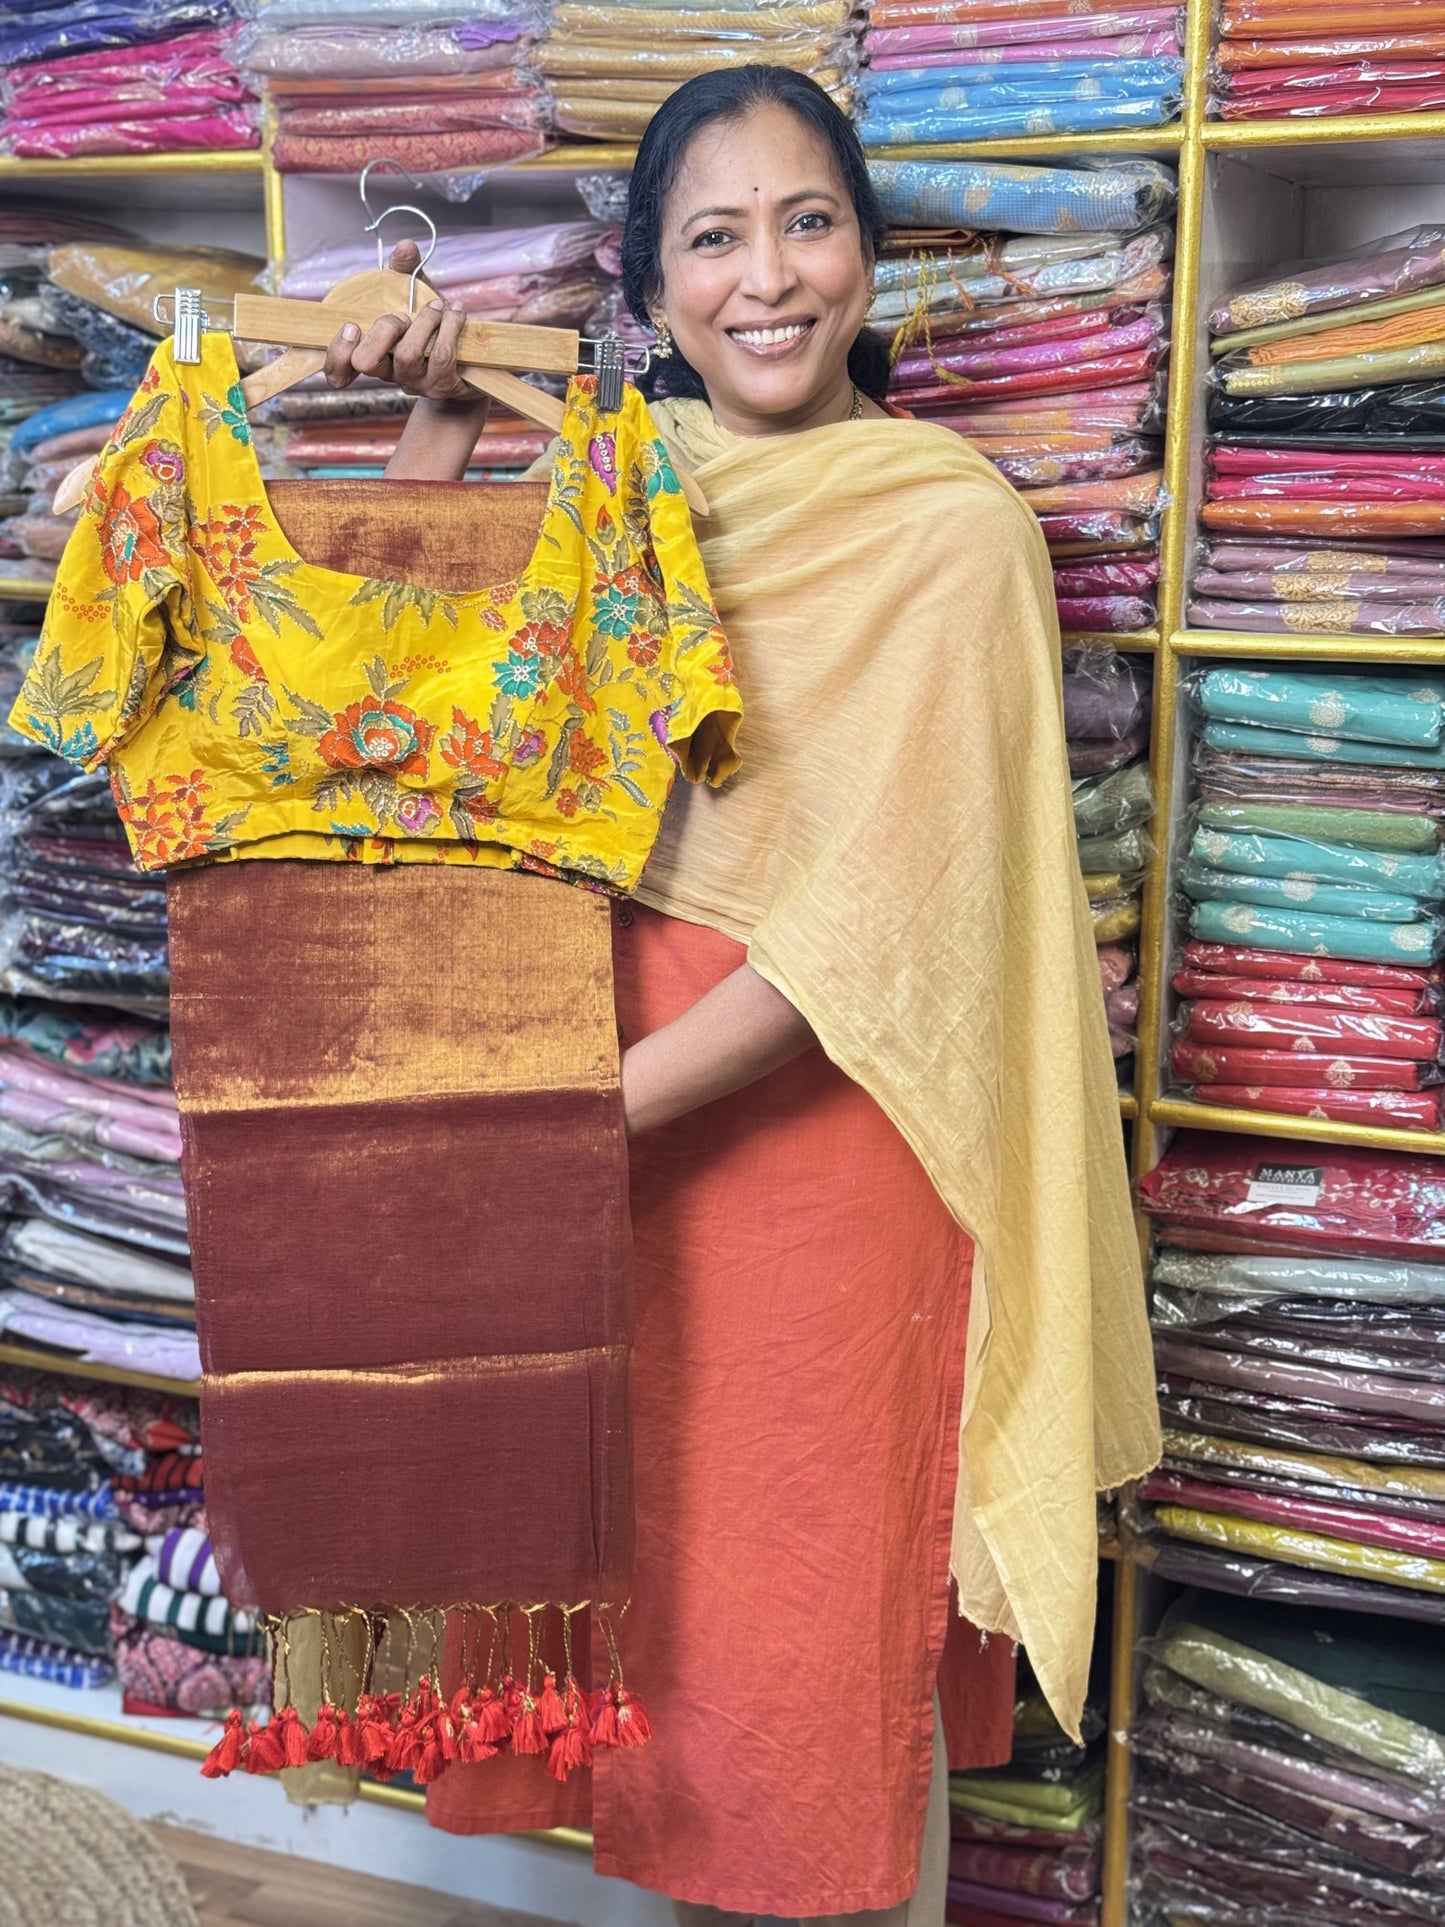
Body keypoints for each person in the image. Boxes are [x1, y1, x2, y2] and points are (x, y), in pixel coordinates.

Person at [322, 65, 1160, 1926]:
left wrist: (563, 1118)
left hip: (821, 1145)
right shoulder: (615, 491)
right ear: (648, 289)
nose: (766, 278)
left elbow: (870, 930)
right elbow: (392, 722)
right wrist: (444, 420)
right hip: (601, 1134)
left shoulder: (951, 530)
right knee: (674, 1678)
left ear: (865, 253)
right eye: (713, 237)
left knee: (815, 1679)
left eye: (808, 222)